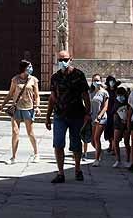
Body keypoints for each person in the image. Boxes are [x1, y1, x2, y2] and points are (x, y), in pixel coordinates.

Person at [45, 50, 91, 183]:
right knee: (58, 144)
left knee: (76, 144)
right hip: (60, 115)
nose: (62, 62)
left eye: (65, 59)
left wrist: (88, 114)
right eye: (60, 60)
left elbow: (86, 96)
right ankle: (60, 173)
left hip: (76, 114)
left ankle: (78, 169)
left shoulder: (79, 75)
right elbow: (52, 98)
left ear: (71, 59)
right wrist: (48, 117)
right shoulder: (55, 77)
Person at [0, 59, 40, 164]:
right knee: (15, 132)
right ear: (24, 68)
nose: (31, 68)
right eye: (29, 67)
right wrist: (2, 105)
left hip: (28, 108)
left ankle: (36, 154)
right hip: (16, 108)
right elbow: (10, 94)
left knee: (30, 132)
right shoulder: (15, 79)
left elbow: (37, 95)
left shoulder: (33, 80)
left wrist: (37, 106)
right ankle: (13, 157)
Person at [88, 74, 109, 166]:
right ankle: (99, 151)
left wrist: (99, 116)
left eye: (97, 80)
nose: (96, 82)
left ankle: (97, 159)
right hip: (92, 117)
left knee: (97, 138)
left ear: (101, 81)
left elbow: (105, 107)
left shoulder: (104, 92)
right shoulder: (91, 93)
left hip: (101, 118)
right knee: (92, 140)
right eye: (94, 80)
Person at [110, 85, 130, 168]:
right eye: (118, 95)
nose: (119, 97)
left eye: (121, 95)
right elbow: (113, 112)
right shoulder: (116, 102)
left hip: (126, 125)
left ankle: (128, 159)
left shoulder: (128, 102)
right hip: (118, 124)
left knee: (126, 142)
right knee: (116, 141)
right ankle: (118, 160)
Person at [102, 75, 120, 153]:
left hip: (116, 113)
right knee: (108, 130)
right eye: (110, 81)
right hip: (107, 113)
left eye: (113, 81)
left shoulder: (117, 91)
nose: (112, 83)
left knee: (114, 130)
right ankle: (110, 144)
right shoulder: (106, 91)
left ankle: (114, 147)